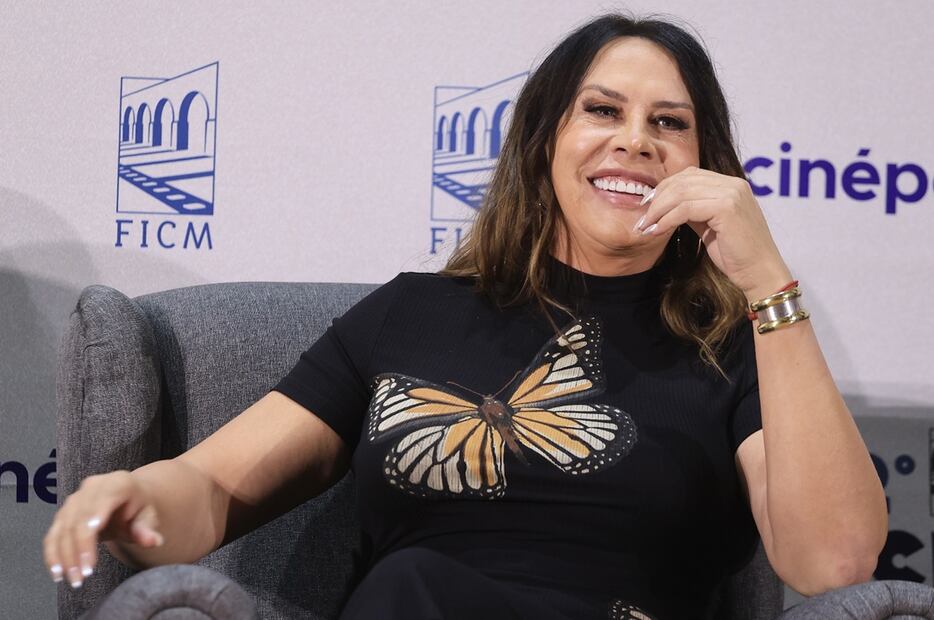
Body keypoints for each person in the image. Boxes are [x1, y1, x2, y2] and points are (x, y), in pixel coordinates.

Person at [44, 13, 887, 620]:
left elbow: (835, 563)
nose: (635, 140)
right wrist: (134, 495)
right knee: (417, 585)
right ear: (544, 140)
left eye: (669, 123)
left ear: (707, 165)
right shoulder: (413, 313)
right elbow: (215, 486)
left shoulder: (733, 345)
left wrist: (768, 283)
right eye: (602, 111)